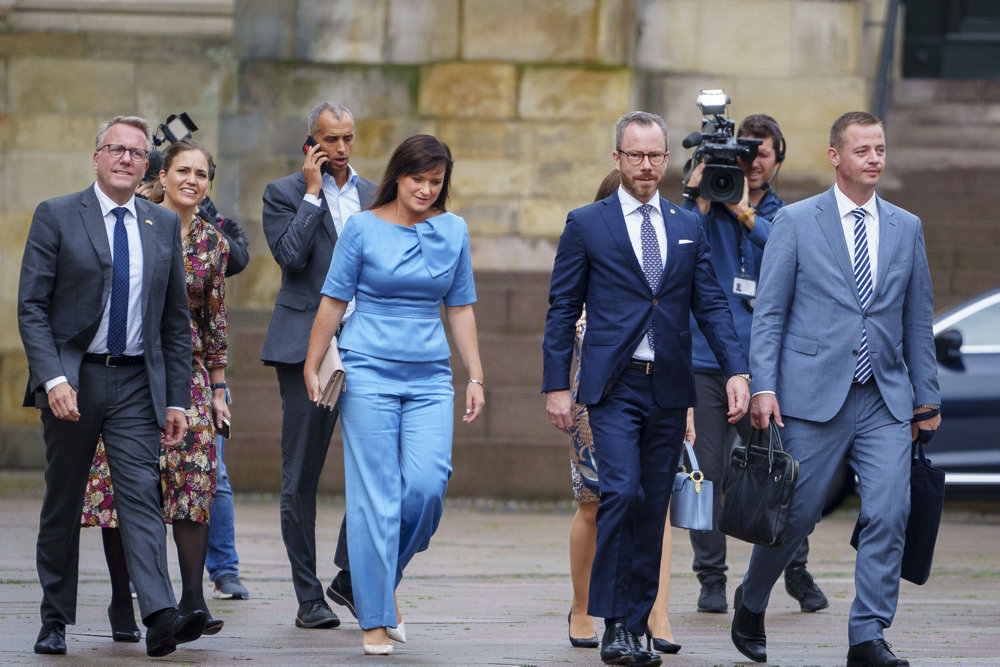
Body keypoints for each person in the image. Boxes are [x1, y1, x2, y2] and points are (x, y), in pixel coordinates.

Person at [733, 111, 941, 667]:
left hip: (885, 397)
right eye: (863, 150)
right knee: (794, 516)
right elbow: (770, 314)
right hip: (811, 395)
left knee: (890, 510)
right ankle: (751, 600)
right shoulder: (798, 223)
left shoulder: (907, 226)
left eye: (880, 149)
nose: (875, 158)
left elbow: (918, 320)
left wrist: (928, 398)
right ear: (835, 157)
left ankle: (867, 634)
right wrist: (764, 388)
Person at [542, 111, 750, 666]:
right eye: (635, 155)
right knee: (621, 494)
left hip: (670, 387)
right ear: (617, 158)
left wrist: (737, 370)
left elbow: (709, 303)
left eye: (655, 155)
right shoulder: (587, 223)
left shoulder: (688, 225)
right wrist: (556, 387)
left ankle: (635, 627)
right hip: (612, 386)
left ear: (666, 160)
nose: (646, 165)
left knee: (654, 502)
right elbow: (562, 308)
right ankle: (613, 623)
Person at [18, 115, 207, 657]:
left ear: (147, 163)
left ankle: (159, 616)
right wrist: (53, 376)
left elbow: (174, 322)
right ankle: (54, 618)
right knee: (64, 501)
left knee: (141, 497)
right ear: (96, 157)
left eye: (136, 152)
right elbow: (31, 307)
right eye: (115, 149)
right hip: (72, 379)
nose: (126, 159)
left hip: (134, 383)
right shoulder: (56, 215)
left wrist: (176, 399)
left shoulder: (161, 225)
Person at [303, 133, 484, 656]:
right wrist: (313, 364)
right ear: (397, 175)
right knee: (374, 500)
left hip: (430, 376)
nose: (426, 189)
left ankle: (364, 583)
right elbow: (334, 301)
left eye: (435, 181)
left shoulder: (454, 230)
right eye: (417, 179)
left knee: (427, 488)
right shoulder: (361, 227)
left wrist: (475, 375)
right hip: (367, 372)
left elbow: (461, 307)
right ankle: (375, 620)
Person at [81, 137, 231, 637]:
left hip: (184, 374)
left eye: (202, 174)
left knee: (194, 480)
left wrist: (218, 388)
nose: (192, 180)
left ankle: (191, 601)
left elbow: (214, 321)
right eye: (183, 170)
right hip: (126, 368)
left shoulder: (213, 244)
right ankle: (123, 601)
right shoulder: (133, 220)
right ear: (161, 175)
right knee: (123, 487)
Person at [682, 115, 828, 614]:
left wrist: (745, 212)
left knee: (783, 470)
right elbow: (679, 246)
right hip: (707, 360)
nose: (752, 162)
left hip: (768, 366)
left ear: (778, 159)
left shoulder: (791, 215)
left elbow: (798, 254)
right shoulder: (703, 211)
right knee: (707, 470)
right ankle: (712, 578)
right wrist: (701, 194)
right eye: (743, 153)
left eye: (762, 153)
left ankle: (794, 567)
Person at [261, 102, 376, 628]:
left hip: (371, 346)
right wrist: (312, 195)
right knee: (300, 474)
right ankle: (309, 596)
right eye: (330, 140)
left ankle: (348, 575)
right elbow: (290, 258)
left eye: (348, 138)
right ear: (311, 143)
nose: (341, 150)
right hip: (310, 346)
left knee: (383, 466)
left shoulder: (376, 195)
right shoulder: (282, 193)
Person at [567, 169, 688, 655]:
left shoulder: (671, 233)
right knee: (600, 503)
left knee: (651, 503)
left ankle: (651, 609)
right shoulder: (589, 234)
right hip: (596, 395)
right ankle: (583, 606)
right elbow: (568, 317)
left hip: (661, 389)